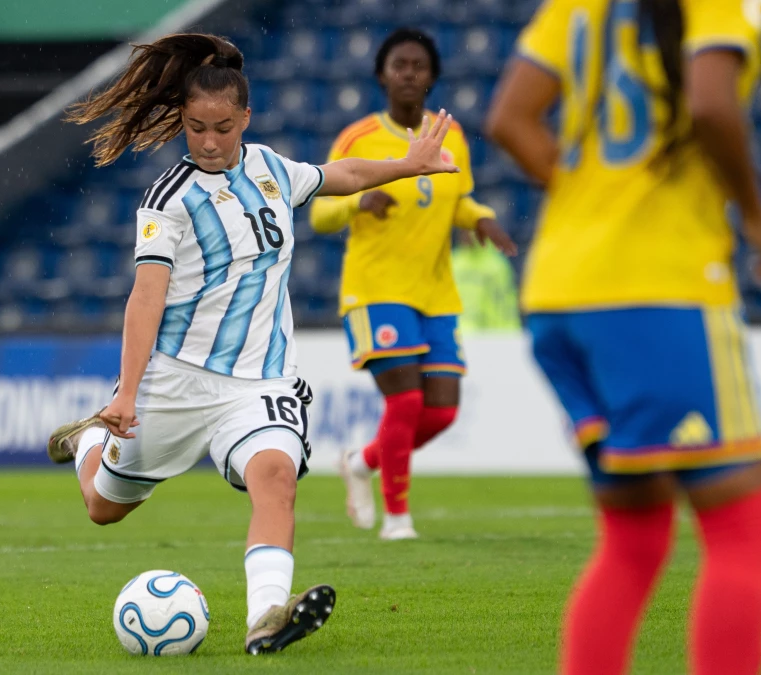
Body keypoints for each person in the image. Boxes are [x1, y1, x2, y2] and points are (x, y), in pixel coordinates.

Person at [45, 33, 460, 655]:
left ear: (245, 117)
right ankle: (88, 443)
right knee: (103, 507)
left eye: (222, 128)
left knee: (276, 476)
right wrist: (126, 394)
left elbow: (342, 175)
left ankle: (266, 616)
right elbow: (145, 299)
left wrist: (410, 163)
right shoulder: (168, 201)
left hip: (261, 381)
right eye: (195, 129)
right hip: (177, 378)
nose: (209, 143)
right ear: (182, 121)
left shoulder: (271, 168)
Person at [485, 0, 761, 673]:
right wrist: (757, 215)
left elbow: (509, 117)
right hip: (658, 293)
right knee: (739, 528)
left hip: (558, 294)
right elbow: (711, 103)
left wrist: (592, 199)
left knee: (635, 540)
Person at [309, 28, 518, 540]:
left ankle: (362, 461)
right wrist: (359, 200)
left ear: (432, 76)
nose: (408, 73)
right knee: (405, 403)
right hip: (376, 289)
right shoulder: (359, 138)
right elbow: (319, 214)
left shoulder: (453, 135)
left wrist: (481, 217)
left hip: (435, 292)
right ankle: (397, 518)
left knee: (441, 411)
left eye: (418, 65)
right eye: (398, 64)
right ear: (381, 75)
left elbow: (456, 198)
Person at [450, 229, 521, 335]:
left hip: (491, 334)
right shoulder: (454, 261)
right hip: (458, 332)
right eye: (464, 231)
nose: (466, 236)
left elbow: (505, 304)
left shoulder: (496, 265)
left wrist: (509, 333)